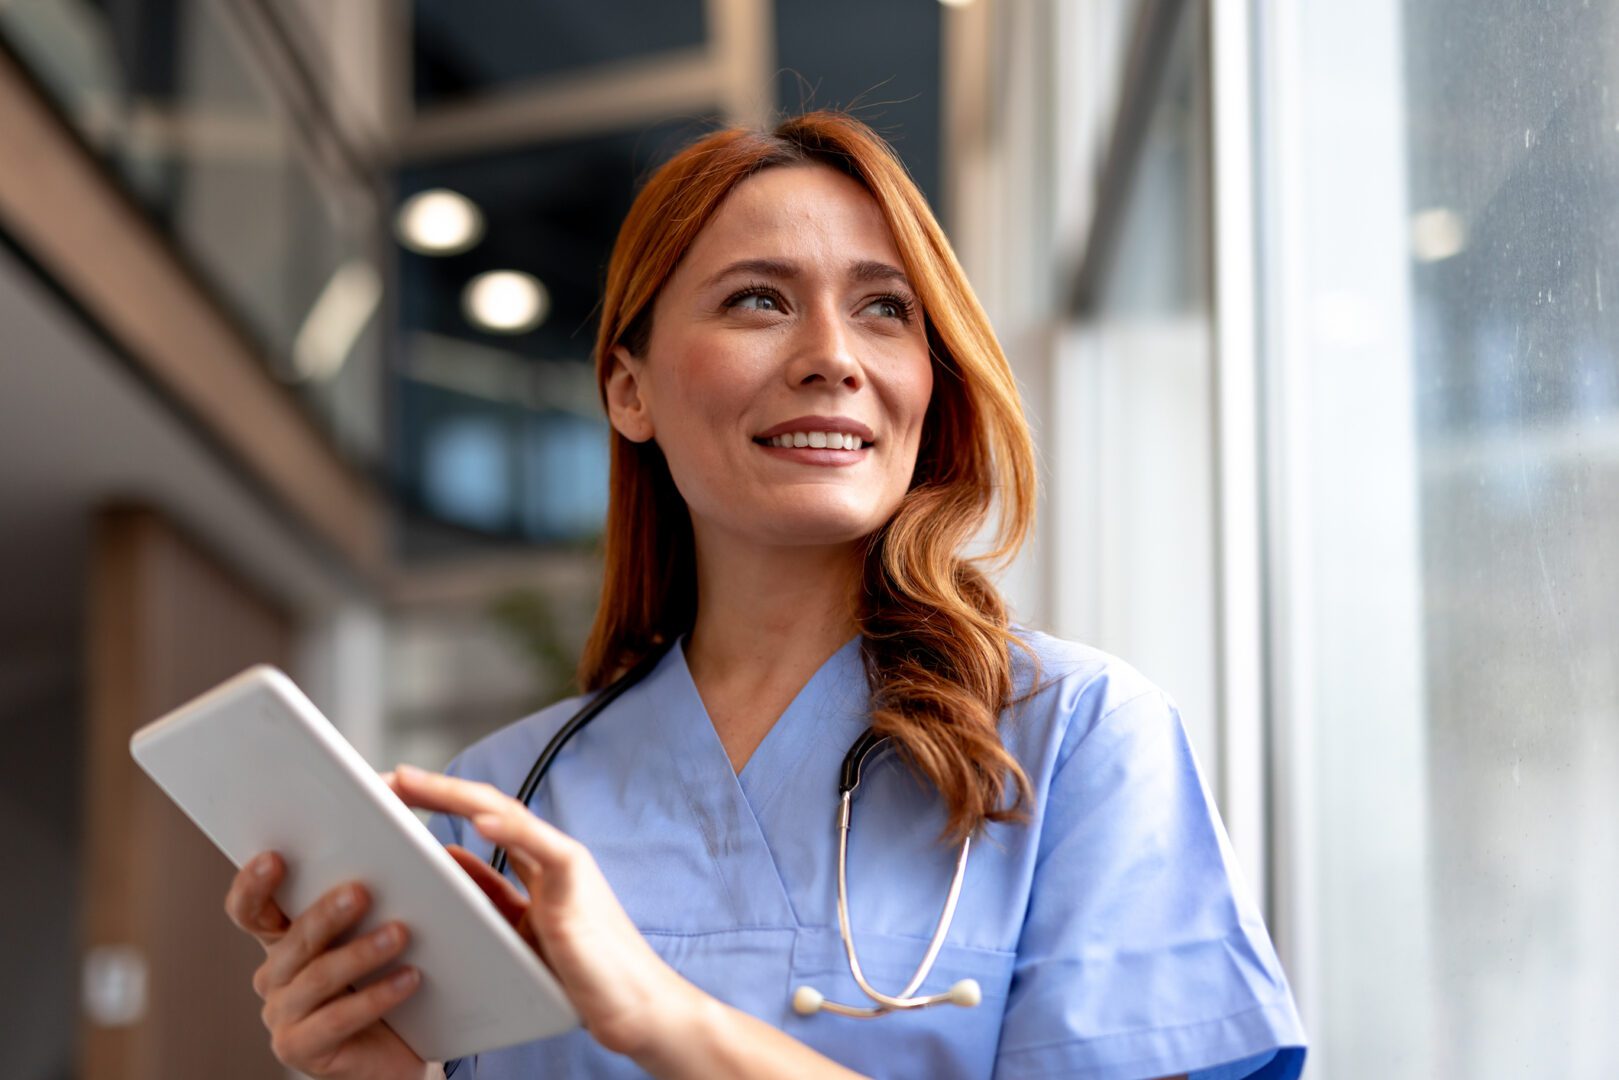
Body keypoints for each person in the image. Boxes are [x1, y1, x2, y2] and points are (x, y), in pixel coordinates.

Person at [223, 111, 1307, 1080]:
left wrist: (660, 1017)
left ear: (932, 379)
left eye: (885, 310)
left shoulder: (1072, 739)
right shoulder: (491, 809)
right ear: (627, 387)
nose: (832, 357)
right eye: (757, 301)